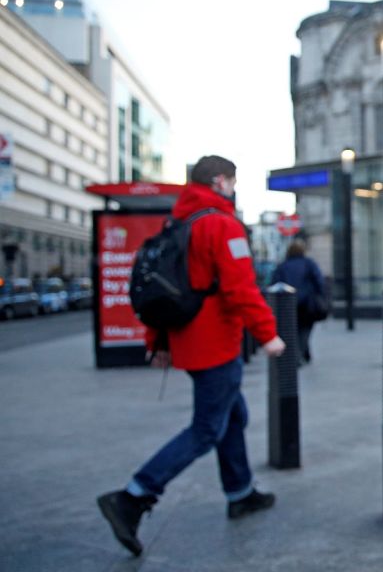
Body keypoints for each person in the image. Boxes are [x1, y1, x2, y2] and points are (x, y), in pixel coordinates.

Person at [97, 155, 286, 557]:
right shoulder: (220, 224)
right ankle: (133, 496)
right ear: (220, 181)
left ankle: (240, 491)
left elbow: (163, 287)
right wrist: (268, 334)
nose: (233, 190)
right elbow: (241, 289)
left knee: (233, 416)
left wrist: (157, 341)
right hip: (215, 343)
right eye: (232, 182)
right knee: (206, 430)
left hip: (187, 340)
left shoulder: (179, 222)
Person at [271, 240, 325, 363]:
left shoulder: (283, 266)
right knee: (305, 329)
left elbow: (275, 284)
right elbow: (319, 282)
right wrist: (320, 296)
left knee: (292, 329)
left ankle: (300, 352)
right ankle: (301, 352)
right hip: (307, 303)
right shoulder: (309, 264)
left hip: (288, 303)